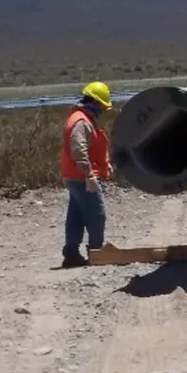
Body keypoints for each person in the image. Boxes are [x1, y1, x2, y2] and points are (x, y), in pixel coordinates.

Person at [60, 81, 113, 268]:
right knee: (96, 215)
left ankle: (72, 255)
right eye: (102, 106)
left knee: (76, 216)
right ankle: (96, 253)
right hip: (81, 177)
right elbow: (78, 149)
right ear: (96, 102)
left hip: (74, 176)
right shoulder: (81, 121)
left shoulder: (81, 118)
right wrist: (89, 175)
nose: (103, 110)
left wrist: (103, 165)